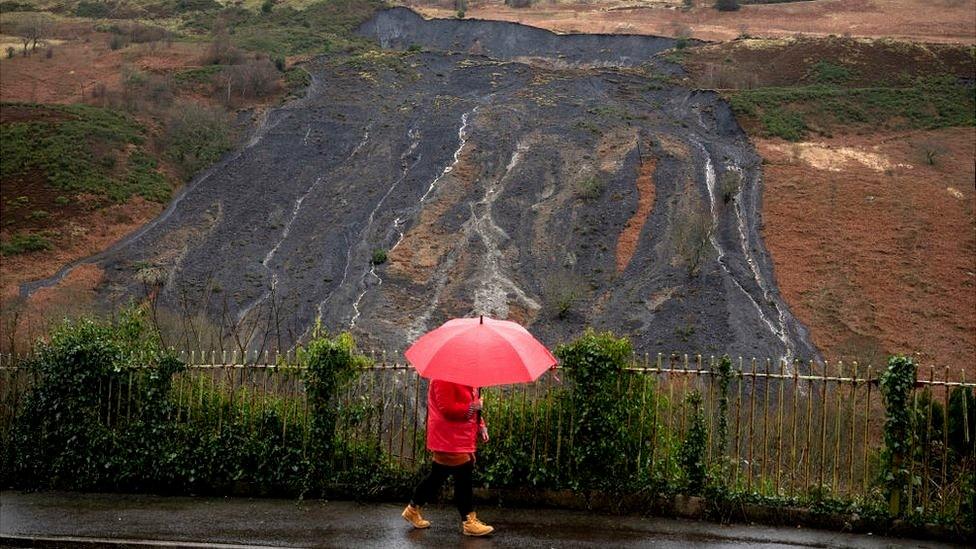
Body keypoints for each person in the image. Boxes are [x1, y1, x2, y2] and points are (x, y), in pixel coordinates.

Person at [402, 379, 494, 537]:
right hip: (449, 437)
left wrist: (481, 425)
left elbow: (472, 403)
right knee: (463, 475)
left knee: (437, 476)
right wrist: (473, 407)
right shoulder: (442, 378)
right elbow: (447, 409)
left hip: (458, 436)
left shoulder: (465, 376)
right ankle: (469, 521)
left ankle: (412, 509)